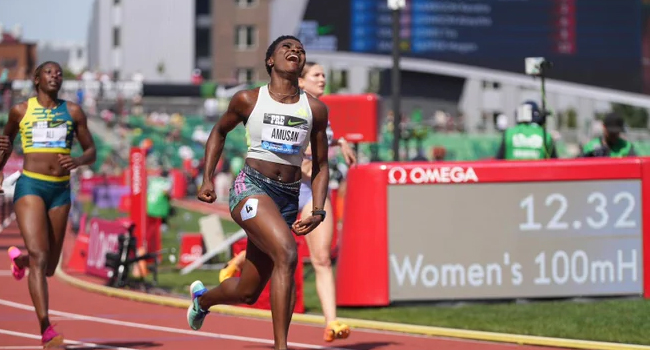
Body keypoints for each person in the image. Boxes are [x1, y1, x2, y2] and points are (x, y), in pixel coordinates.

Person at [186, 35, 330, 350]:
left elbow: (321, 166)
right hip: (251, 187)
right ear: (270, 61)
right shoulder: (248, 100)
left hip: (287, 198)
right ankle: (282, 346)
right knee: (288, 253)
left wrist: (318, 210)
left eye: (300, 49)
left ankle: (202, 300)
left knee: (248, 292)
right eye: (286, 48)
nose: (295, 51)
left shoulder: (315, 110)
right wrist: (207, 178)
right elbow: (219, 131)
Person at [217, 61, 357, 342]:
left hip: (312, 193)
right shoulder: (280, 108)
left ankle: (331, 321)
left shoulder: (319, 112)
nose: (323, 79)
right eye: (317, 75)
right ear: (301, 81)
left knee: (321, 258)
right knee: (281, 250)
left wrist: (341, 143)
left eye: (324, 75)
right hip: (279, 189)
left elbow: (323, 142)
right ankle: (243, 259)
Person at [1, 61, 96, 348]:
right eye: (49, 72)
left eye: (58, 73)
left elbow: (91, 150)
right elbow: (5, 142)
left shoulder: (74, 111)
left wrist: (78, 160)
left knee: (50, 266)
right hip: (30, 185)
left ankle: (20, 260)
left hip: (60, 191)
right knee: (40, 258)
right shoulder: (20, 110)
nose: (55, 76)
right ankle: (46, 329)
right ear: (36, 79)